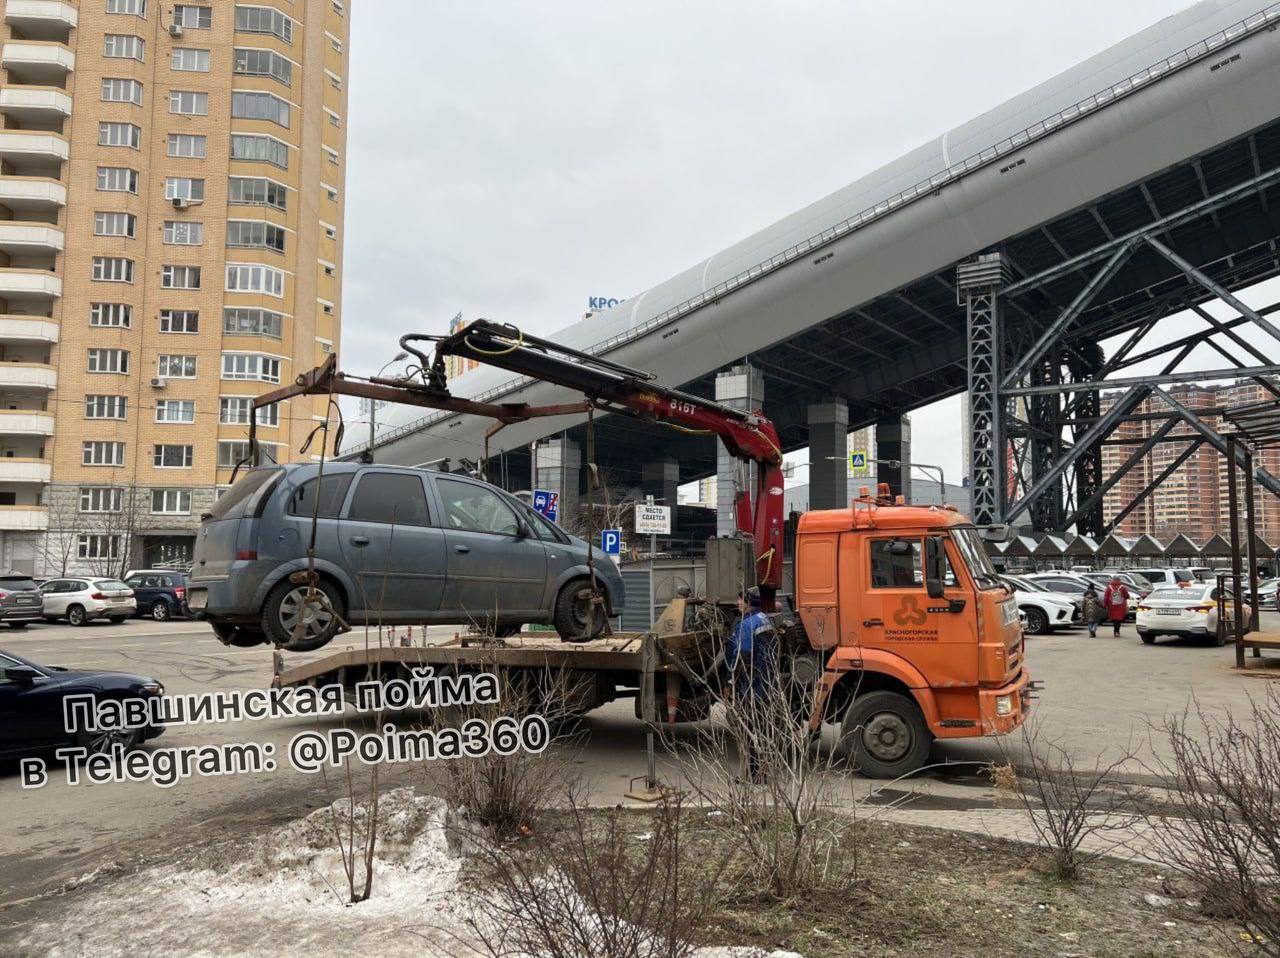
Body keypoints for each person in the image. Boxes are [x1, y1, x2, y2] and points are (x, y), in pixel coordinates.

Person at [726, 586, 777, 783]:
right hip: (766, 684)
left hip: (751, 686)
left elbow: (742, 657)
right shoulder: (765, 619)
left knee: (749, 732)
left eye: (741, 600)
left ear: (749, 603)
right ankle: (763, 774)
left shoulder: (747, 625)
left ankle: (753, 776)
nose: (738, 603)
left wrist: (730, 683)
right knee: (763, 731)